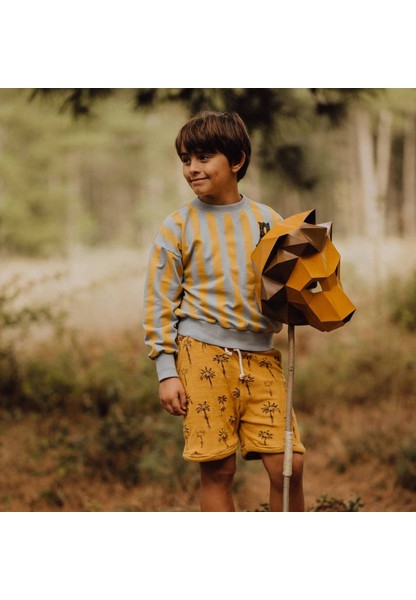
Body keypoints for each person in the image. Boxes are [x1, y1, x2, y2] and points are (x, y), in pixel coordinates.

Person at [143, 111, 305, 511]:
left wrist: (303, 297)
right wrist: (166, 371)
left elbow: (288, 286)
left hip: (262, 358)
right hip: (201, 356)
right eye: (185, 160)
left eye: (203, 157)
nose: (192, 169)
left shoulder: (269, 221)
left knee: (289, 464)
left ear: (237, 161)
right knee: (217, 471)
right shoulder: (177, 226)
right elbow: (158, 302)